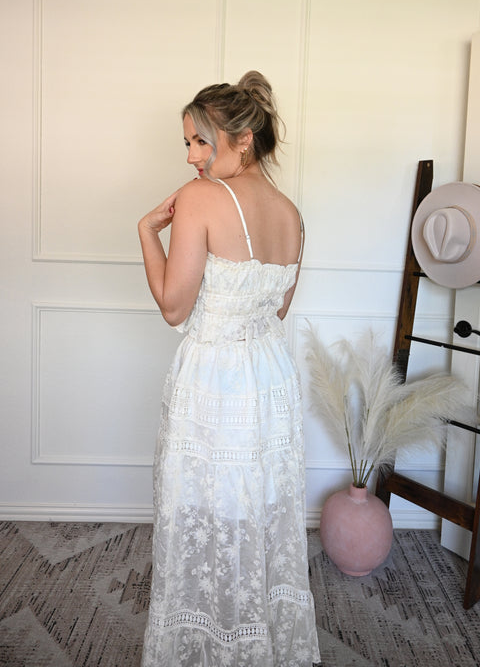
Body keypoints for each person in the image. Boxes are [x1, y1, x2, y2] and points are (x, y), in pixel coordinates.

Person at [138, 71, 320, 667]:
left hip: (215, 379)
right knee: (254, 510)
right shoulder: (293, 215)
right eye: (186, 143)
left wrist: (146, 232)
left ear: (243, 139)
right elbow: (280, 309)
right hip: (270, 379)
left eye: (200, 141)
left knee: (206, 508)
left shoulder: (200, 200)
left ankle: (212, 640)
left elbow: (172, 307)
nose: (191, 157)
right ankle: (254, 636)